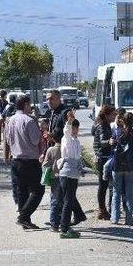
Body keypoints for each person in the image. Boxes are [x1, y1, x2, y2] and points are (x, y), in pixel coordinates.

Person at [45, 89, 86, 225]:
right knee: (65, 190)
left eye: (51, 99)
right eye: (47, 99)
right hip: (54, 150)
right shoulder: (52, 112)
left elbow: (65, 132)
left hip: (62, 154)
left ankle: (59, 222)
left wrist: (52, 134)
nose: (48, 101)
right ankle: (76, 215)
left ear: (58, 99)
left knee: (60, 190)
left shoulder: (63, 113)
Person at [4, 95, 44, 229]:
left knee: (22, 191)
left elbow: (8, 140)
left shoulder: (10, 120)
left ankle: (24, 220)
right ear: (26, 105)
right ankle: (23, 217)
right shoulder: (29, 121)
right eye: (30, 104)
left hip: (16, 160)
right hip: (30, 161)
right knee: (38, 190)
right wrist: (41, 130)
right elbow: (35, 140)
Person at [56, 110, 84, 238]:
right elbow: (66, 131)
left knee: (69, 200)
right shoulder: (66, 138)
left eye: (76, 129)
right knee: (68, 201)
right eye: (73, 128)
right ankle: (64, 228)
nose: (74, 131)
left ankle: (66, 225)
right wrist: (69, 120)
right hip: (67, 173)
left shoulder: (76, 141)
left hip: (74, 174)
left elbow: (78, 157)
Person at [111, 112, 133, 225]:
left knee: (116, 192)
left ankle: (115, 218)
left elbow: (112, 146)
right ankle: (129, 219)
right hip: (130, 166)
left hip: (117, 165)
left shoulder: (117, 133)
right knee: (129, 194)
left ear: (123, 121)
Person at [91, 105, 116, 220]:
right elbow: (101, 142)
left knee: (105, 184)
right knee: (103, 184)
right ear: (107, 115)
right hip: (103, 158)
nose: (114, 116)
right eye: (113, 114)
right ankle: (102, 210)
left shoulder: (105, 125)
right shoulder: (102, 126)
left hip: (104, 157)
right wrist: (109, 142)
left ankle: (104, 209)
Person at [42, 132, 63, 232]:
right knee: (64, 200)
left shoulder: (51, 150)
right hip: (66, 177)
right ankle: (64, 222)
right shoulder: (66, 149)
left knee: (54, 200)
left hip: (55, 177)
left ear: (53, 139)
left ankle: (54, 224)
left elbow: (45, 164)